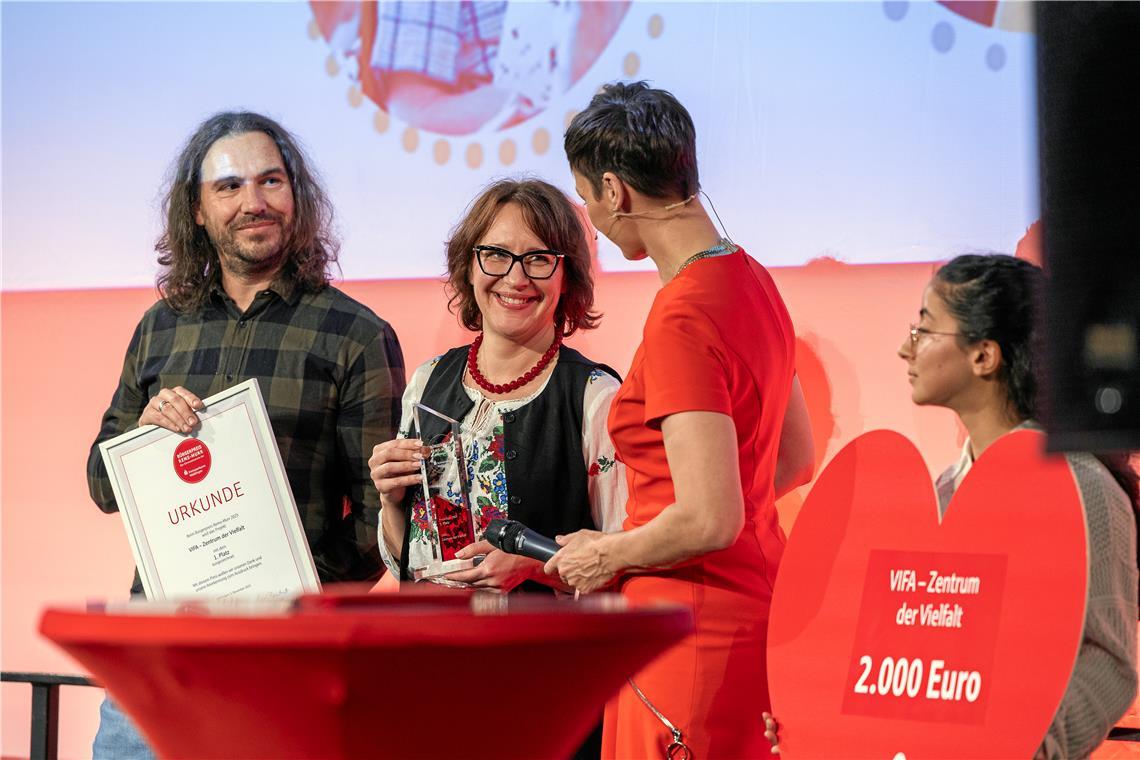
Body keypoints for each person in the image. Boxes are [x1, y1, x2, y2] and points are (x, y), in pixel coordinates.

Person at [86, 111, 406, 759]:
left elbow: (380, 520)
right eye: (229, 186)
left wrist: (293, 595)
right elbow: (101, 484)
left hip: (281, 661)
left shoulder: (355, 335)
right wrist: (139, 442)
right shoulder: (159, 328)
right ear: (198, 211)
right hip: (158, 655)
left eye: (270, 181)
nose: (253, 202)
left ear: (297, 196)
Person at [546, 81, 815, 759]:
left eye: (584, 198)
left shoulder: (683, 316)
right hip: (756, 611)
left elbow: (708, 519)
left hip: (687, 631)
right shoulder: (753, 278)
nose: (591, 218)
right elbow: (794, 460)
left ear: (614, 191)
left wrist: (605, 552)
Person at [898, 253, 1138, 758]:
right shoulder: (943, 492)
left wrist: (1032, 745)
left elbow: (1109, 662)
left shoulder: (1084, 488)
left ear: (984, 356)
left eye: (924, 329)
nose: (906, 348)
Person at [368, 177, 625, 595]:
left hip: (540, 636)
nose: (515, 277)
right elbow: (410, 564)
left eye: (538, 259)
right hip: (432, 632)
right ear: (469, 267)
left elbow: (622, 561)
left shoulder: (595, 396)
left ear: (567, 276)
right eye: (496, 255)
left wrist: (536, 567)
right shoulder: (427, 379)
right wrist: (391, 502)